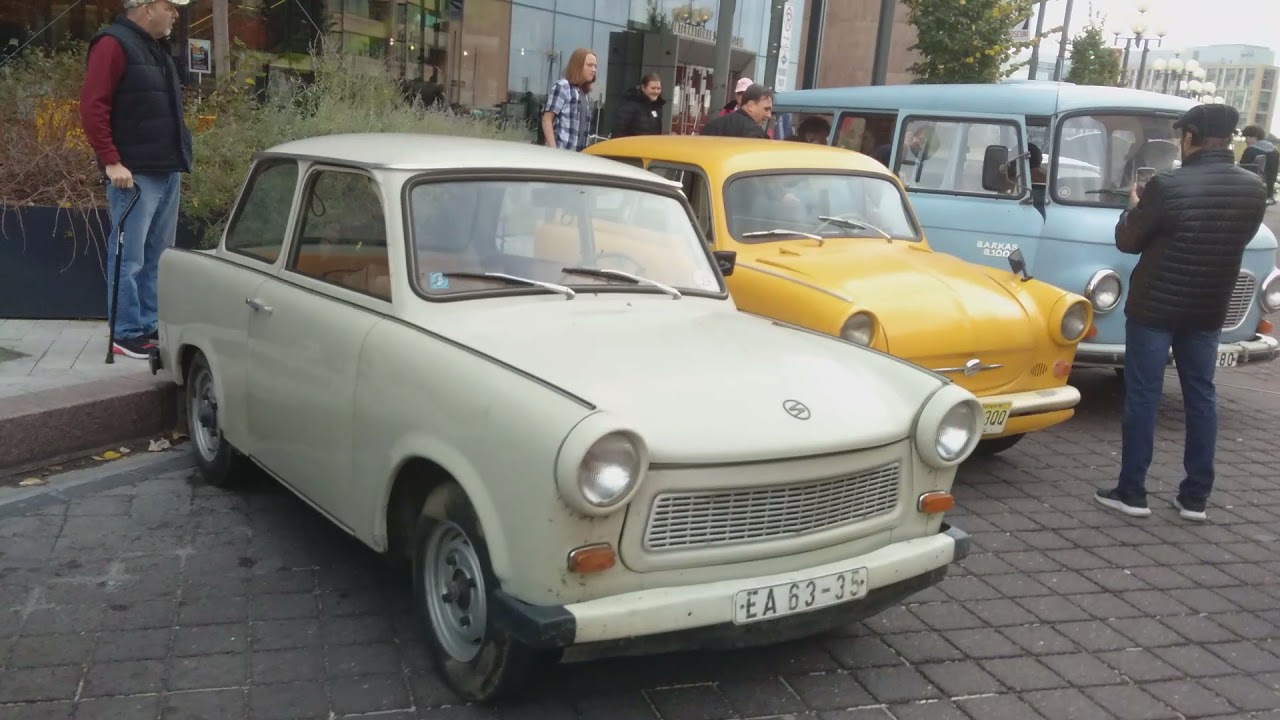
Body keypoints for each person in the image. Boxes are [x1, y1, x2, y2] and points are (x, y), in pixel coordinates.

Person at [1096, 103, 1267, 522]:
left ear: (1189, 137)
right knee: (1201, 396)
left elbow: (1128, 241)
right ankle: (1195, 497)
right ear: (1229, 139)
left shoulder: (1168, 185)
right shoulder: (1254, 188)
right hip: (1208, 308)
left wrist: (1133, 206)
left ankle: (1132, 492)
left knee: (1144, 394)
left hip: (1155, 306)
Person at [79, 0, 193, 360]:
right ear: (147, 8)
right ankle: (126, 331)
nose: (176, 14)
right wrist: (111, 161)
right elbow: (93, 105)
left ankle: (147, 324)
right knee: (129, 255)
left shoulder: (154, 48)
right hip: (135, 172)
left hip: (164, 167)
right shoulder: (112, 44)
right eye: (171, 7)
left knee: (157, 255)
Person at [542, 48, 597, 152]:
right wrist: (553, 151)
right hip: (561, 154)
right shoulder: (563, 86)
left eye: (595, 66)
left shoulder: (585, 94)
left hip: (578, 156)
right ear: (578, 66)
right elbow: (547, 120)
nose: (594, 69)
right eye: (590, 65)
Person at [700, 83, 772, 139]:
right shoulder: (754, 133)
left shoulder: (713, 126)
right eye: (766, 109)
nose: (769, 115)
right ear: (751, 106)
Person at [612, 74, 666, 138]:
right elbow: (619, 131)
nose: (656, 91)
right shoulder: (630, 105)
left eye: (658, 88)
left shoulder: (657, 106)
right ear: (643, 87)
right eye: (653, 88)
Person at [1240, 124, 1278, 205]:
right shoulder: (1274, 151)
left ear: (1253, 137)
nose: (1245, 141)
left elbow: (1242, 170)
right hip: (1268, 193)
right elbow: (1273, 173)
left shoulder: (1250, 151)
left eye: (1246, 137)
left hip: (1251, 193)